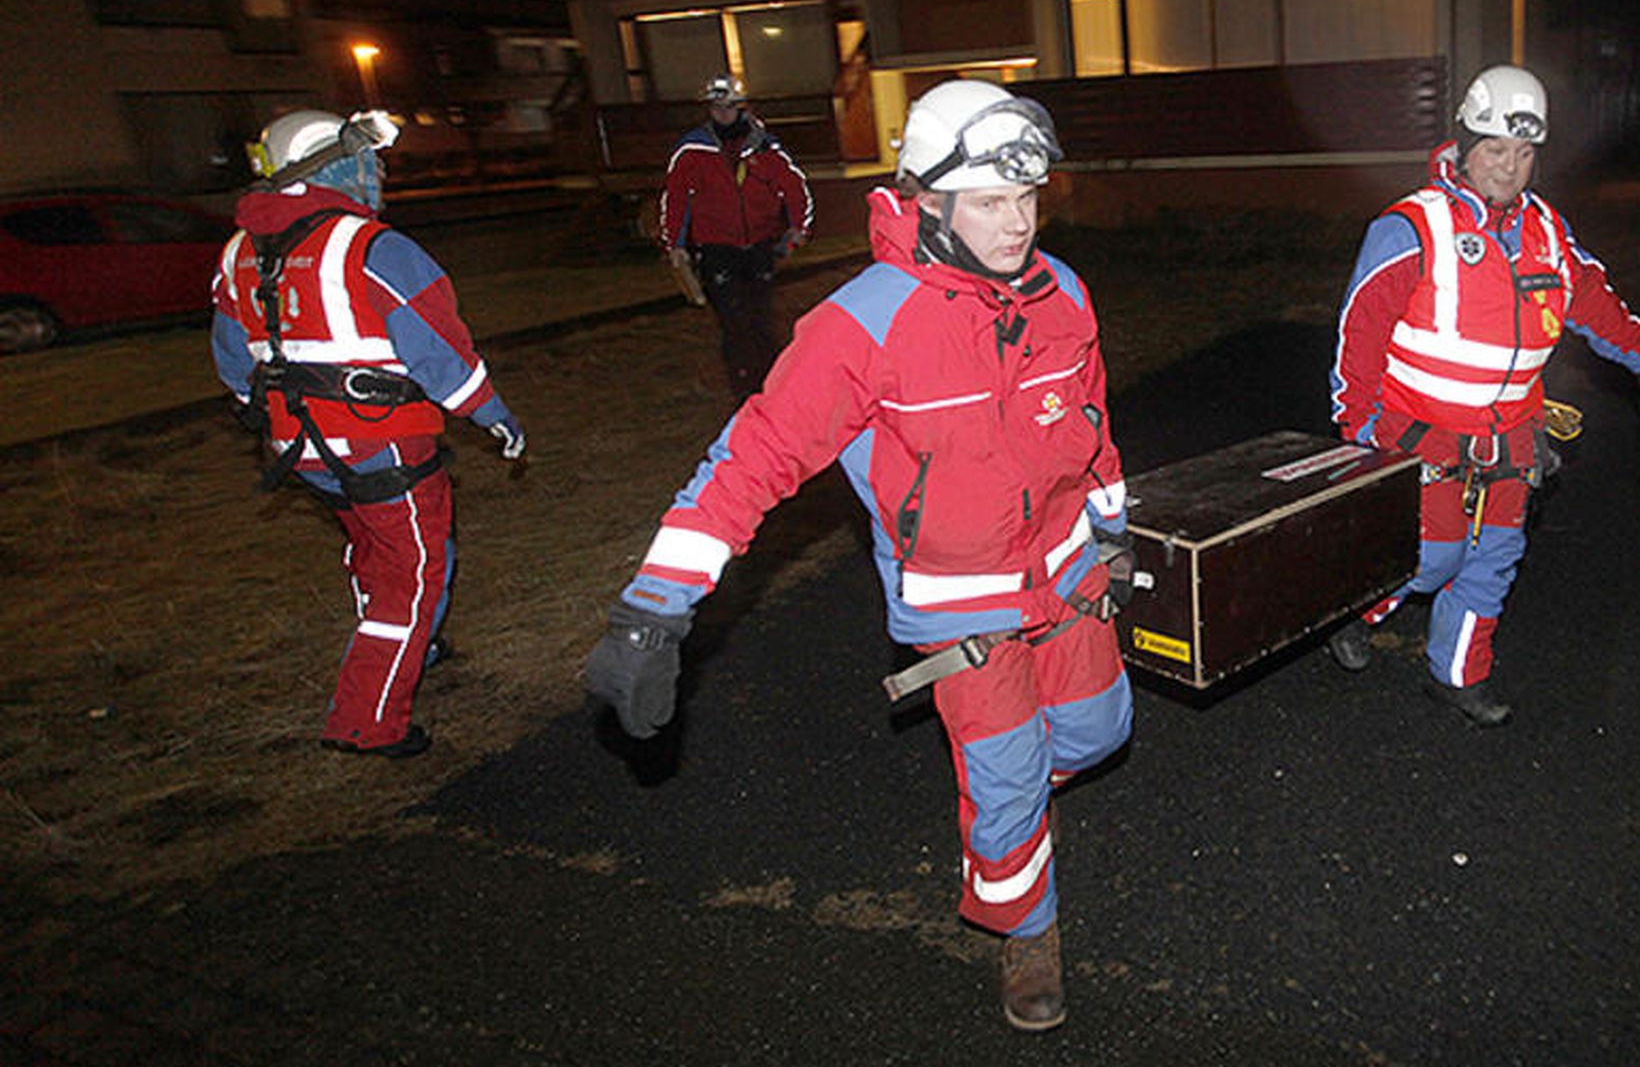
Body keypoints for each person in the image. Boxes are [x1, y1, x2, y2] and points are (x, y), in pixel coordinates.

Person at [588, 79, 1136, 1031]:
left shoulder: (1063, 294)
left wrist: (1115, 526)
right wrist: (653, 607)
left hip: (1071, 579)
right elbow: (749, 459)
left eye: (1028, 200)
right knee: (1006, 777)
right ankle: (1026, 927)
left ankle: (1012, 804)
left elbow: (1090, 428)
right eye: (991, 203)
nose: (1017, 225)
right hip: (965, 612)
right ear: (930, 199)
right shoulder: (863, 325)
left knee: (1097, 734)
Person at [1329, 64, 1640, 725]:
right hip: (1421, 435)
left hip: (1511, 438)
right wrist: (1362, 430)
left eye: (1525, 153)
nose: (1510, 167)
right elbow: (1359, 332)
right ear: (1467, 146)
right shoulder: (1413, 224)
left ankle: (1458, 675)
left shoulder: (1549, 233)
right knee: (1434, 554)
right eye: (1496, 150)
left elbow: (1604, 313)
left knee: (1494, 558)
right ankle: (1355, 606)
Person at [211, 109, 526, 757]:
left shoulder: (240, 249)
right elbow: (441, 351)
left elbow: (232, 360)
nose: (378, 171)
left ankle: (415, 644)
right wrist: (492, 413)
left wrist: (271, 413)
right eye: (369, 158)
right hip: (383, 442)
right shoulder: (372, 247)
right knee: (412, 574)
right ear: (333, 163)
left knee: (372, 550)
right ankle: (367, 718)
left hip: (301, 449)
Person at [659, 73, 815, 398]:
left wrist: (798, 228)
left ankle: (772, 387)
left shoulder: (766, 148)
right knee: (732, 322)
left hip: (760, 245)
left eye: (728, 107)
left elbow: (794, 188)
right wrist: (675, 244)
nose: (722, 114)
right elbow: (675, 199)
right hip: (717, 248)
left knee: (760, 318)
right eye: (716, 108)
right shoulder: (692, 151)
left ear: (742, 107)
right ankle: (742, 389)